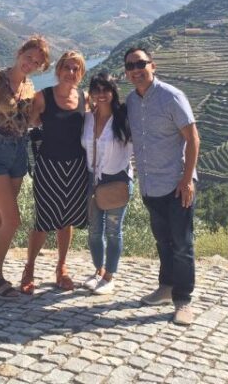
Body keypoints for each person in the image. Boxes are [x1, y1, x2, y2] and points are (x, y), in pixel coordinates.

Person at [124, 47, 201, 325]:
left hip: (176, 184)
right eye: (131, 66)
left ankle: (183, 300)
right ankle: (166, 287)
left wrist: (187, 179)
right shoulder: (131, 101)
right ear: (126, 73)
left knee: (182, 244)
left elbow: (193, 139)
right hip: (150, 185)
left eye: (141, 64)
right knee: (163, 241)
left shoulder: (172, 97)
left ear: (152, 66)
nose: (136, 69)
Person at [0, 36, 50, 298]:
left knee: (1, 217)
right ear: (20, 53)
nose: (31, 63)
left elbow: (28, 122)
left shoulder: (29, 87)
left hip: (18, 152)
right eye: (29, 57)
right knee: (13, 219)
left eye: (37, 62)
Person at [20, 50, 89, 294]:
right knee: (43, 220)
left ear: (81, 74)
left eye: (76, 69)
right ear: (58, 70)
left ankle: (61, 268)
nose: (71, 72)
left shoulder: (85, 97)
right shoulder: (43, 97)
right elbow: (29, 122)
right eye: (67, 67)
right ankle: (29, 269)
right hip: (48, 166)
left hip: (77, 167)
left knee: (67, 219)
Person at [80, 72, 134, 296]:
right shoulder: (88, 118)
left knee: (113, 231)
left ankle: (110, 276)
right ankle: (98, 270)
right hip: (92, 180)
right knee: (94, 232)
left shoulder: (124, 118)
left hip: (116, 180)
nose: (101, 94)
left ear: (113, 92)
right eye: (96, 90)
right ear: (91, 93)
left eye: (106, 89)